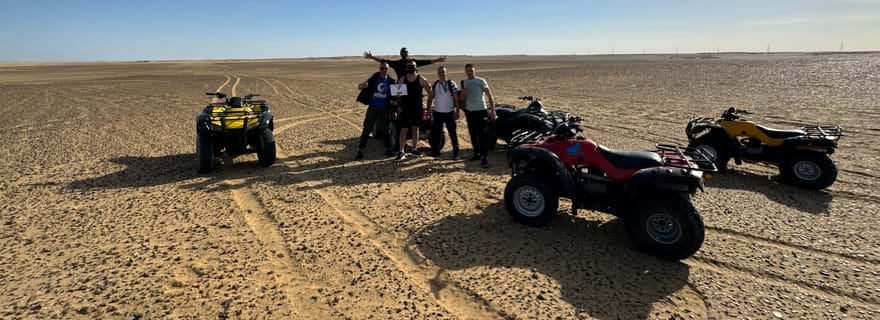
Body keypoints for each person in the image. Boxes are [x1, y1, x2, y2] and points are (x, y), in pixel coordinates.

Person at [355, 62, 397, 160]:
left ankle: (389, 149)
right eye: (382, 68)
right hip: (373, 108)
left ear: (388, 69)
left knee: (386, 130)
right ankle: (361, 150)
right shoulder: (374, 78)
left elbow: (394, 97)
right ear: (379, 69)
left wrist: (394, 110)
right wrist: (362, 85)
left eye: (385, 68)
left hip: (385, 109)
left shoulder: (391, 81)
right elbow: (360, 86)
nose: (384, 70)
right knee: (367, 129)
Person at [394, 60, 433, 161]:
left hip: (417, 108)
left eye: (413, 66)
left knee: (416, 128)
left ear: (416, 67)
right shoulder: (402, 79)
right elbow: (397, 96)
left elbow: (431, 93)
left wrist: (428, 107)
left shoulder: (421, 79)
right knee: (404, 129)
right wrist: (397, 95)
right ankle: (401, 151)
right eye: (409, 66)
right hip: (405, 108)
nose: (411, 67)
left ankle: (414, 149)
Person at [459, 63, 496, 168]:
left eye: (471, 70)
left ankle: (484, 156)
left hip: (481, 110)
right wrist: (463, 94)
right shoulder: (464, 83)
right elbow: (461, 99)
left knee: (482, 134)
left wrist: (493, 110)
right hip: (470, 112)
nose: (469, 73)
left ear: (475, 71)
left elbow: (489, 95)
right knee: (473, 134)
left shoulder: (481, 81)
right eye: (467, 71)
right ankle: (477, 153)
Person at [425, 66, 461, 159]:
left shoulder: (451, 83)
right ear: (438, 73)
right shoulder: (435, 84)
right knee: (437, 133)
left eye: (443, 72)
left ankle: (456, 153)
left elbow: (456, 99)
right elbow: (430, 97)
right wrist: (428, 109)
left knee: (452, 133)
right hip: (437, 112)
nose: (441, 73)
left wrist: (457, 111)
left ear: (446, 73)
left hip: (449, 112)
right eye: (440, 72)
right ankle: (436, 152)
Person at [364, 47, 447, 79]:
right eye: (403, 52)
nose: (404, 53)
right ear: (400, 54)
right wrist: (372, 57)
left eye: (405, 52)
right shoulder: (397, 63)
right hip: (401, 86)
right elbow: (383, 61)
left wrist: (437, 60)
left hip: (413, 85)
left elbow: (426, 62)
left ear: (408, 53)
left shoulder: (413, 62)